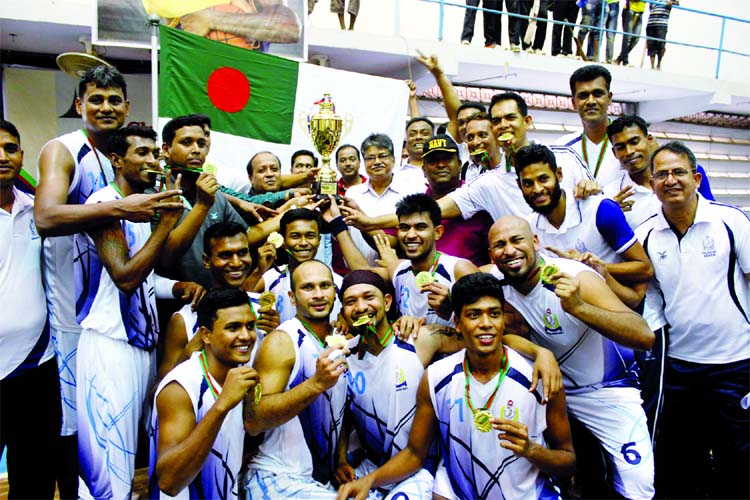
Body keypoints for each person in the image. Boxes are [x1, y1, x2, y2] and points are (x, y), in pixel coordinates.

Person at [34, 65, 186, 498]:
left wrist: (175, 286)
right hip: (77, 319)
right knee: (95, 457)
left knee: (122, 451)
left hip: (132, 331)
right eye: (95, 99)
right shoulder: (65, 152)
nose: (105, 107)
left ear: (127, 106)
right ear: (79, 105)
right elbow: (46, 217)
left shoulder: (128, 187)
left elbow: (144, 268)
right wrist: (123, 210)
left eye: (114, 99)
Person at [337, 272, 576, 500]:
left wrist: (531, 450)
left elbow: (568, 463)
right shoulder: (436, 377)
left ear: (503, 319)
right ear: (458, 325)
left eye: (494, 314)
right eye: (473, 315)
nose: (486, 324)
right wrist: (368, 480)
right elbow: (414, 454)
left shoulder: (541, 377)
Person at [489, 215, 656, 500]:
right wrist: (538, 351)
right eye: (499, 245)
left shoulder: (574, 276)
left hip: (604, 389)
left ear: (536, 242)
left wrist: (578, 307)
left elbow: (643, 335)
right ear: (491, 254)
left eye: (517, 240)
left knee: (638, 485)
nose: (509, 250)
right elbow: (473, 327)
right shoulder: (493, 283)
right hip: (545, 392)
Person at [74, 125, 186, 498]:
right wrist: (166, 223)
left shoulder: (143, 203)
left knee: (130, 450)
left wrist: (178, 287)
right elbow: (124, 277)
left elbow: (145, 273)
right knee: (109, 460)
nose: (152, 161)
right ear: (117, 160)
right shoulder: (104, 204)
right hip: (110, 345)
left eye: (155, 153)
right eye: (142, 153)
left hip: (140, 345)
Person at [635, 141, 750, 499]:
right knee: (685, 460)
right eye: (662, 174)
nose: (671, 180)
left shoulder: (731, 221)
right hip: (681, 369)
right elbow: (647, 297)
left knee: (739, 457)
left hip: (736, 363)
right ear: (652, 183)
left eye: (679, 172)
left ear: (697, 178)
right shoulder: (647, 234)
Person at [245, 260, 350, 498]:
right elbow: (253, 420)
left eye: (325, 286)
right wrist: (315, 384)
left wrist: (341, 459)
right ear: (292, 297)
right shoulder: (282, 341)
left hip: (319, 482)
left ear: (335, 292)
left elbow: (341, 410)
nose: (318, 294)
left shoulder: (337, 341)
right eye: (308, 287)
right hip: (278, 477)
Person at [150, 288, 260, 499]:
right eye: (233, 328)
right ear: (206, 335)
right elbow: (169, 482)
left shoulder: (238, 376)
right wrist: (222, 405)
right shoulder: (179, 387)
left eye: (250, 326)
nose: (246, 336)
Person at [513, 143, 653, 309]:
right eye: (528, 183)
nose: (537, 189)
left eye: (543, 179)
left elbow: (645, 268)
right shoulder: (529, 227)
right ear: (519, 185)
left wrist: (591, 267)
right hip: (577, 322)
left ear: (559, 175)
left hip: (622, 312)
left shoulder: (600, 210)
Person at [0, 120, 61, 499]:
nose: (1, 156)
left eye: (9, 148)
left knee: (35, 478)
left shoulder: (37, 211)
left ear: (22, 156)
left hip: (35, 368)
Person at [158, 222, 280, 380]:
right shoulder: (185, 320)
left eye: (242, 253)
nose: (236, 263)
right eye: (225, 255)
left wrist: (275, 336)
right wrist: (189, 353)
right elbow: (158, 393)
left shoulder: (265, 310)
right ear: (206, 260)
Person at [253, 207, 344, 323]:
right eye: (295, 236)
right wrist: (259, 271)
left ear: (319, 240)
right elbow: (240, 301)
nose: (304, 243)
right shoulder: (271, 277)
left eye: (310, 236)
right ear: (283, 242)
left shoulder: (337, 283)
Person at [345, 133, 425, 264]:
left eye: (382, 156)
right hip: (358, 273)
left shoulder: (411, 192)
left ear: (394, 159)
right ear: (363, 162)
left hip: (400, 270)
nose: (376, 162)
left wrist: (364, 222)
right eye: (370, 158)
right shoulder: (352, 194)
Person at [557, 65, 625, 187]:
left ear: (609, 98)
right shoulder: (562, 148)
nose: (591, 101)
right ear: (573, 103)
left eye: (598, 94)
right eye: (583, 96)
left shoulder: (630, 144)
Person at [645, 0, 678, 70]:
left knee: (661, 44)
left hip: (662, 24)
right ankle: (652, 66)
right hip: (651, 23)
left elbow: (677, 3)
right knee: (651, 45)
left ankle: (659, 65)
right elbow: (650, 8)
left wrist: (671, 3)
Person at [615, 0, 645, 66]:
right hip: (630, 9)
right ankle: (625, 61)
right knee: (627, 37)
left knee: (636, 38)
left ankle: (619, 58)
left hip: (640, 11)